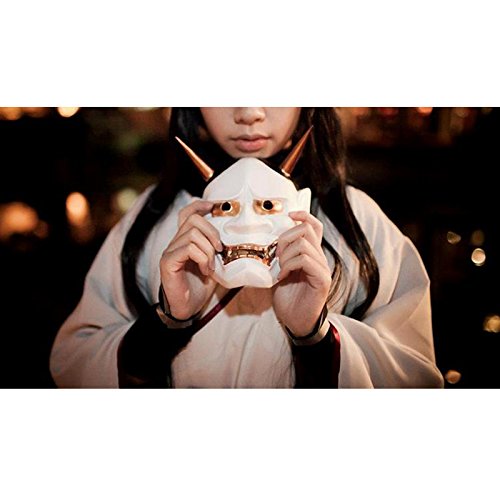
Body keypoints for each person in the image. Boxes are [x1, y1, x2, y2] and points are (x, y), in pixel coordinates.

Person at [50, 107, 444, 388]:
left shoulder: (358, 220)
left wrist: (315, 335)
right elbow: (76, 361)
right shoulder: (152, 217)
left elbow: (415, 378)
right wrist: (168, 321)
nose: (249, 113)